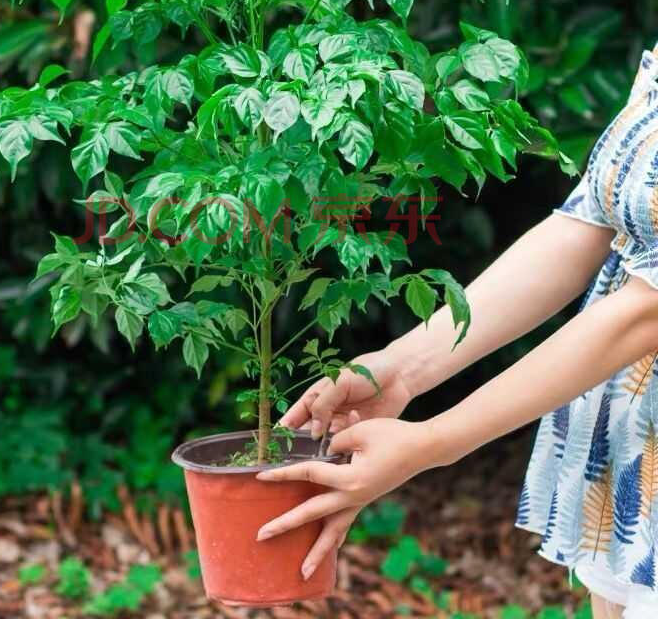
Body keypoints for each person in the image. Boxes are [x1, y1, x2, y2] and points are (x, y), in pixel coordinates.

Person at [256, 46, 658, 618]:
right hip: (630, 448)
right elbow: (592, 220)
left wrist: (431, 442)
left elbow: (646, 310)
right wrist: (404, 365)